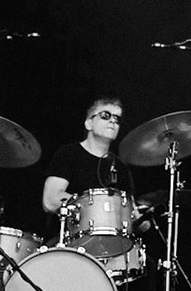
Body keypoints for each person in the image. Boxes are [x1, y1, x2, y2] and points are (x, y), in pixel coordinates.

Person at [42, 96, 137, 226]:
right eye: (105, 115)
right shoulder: (69, 153)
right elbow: (50, 199)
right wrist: (95, 206)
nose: (113, 121)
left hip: (111, 242)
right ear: (89, 123)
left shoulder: (121, 167)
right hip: (69, 239)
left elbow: (130, 211)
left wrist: (139, 219)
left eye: (117, 118)